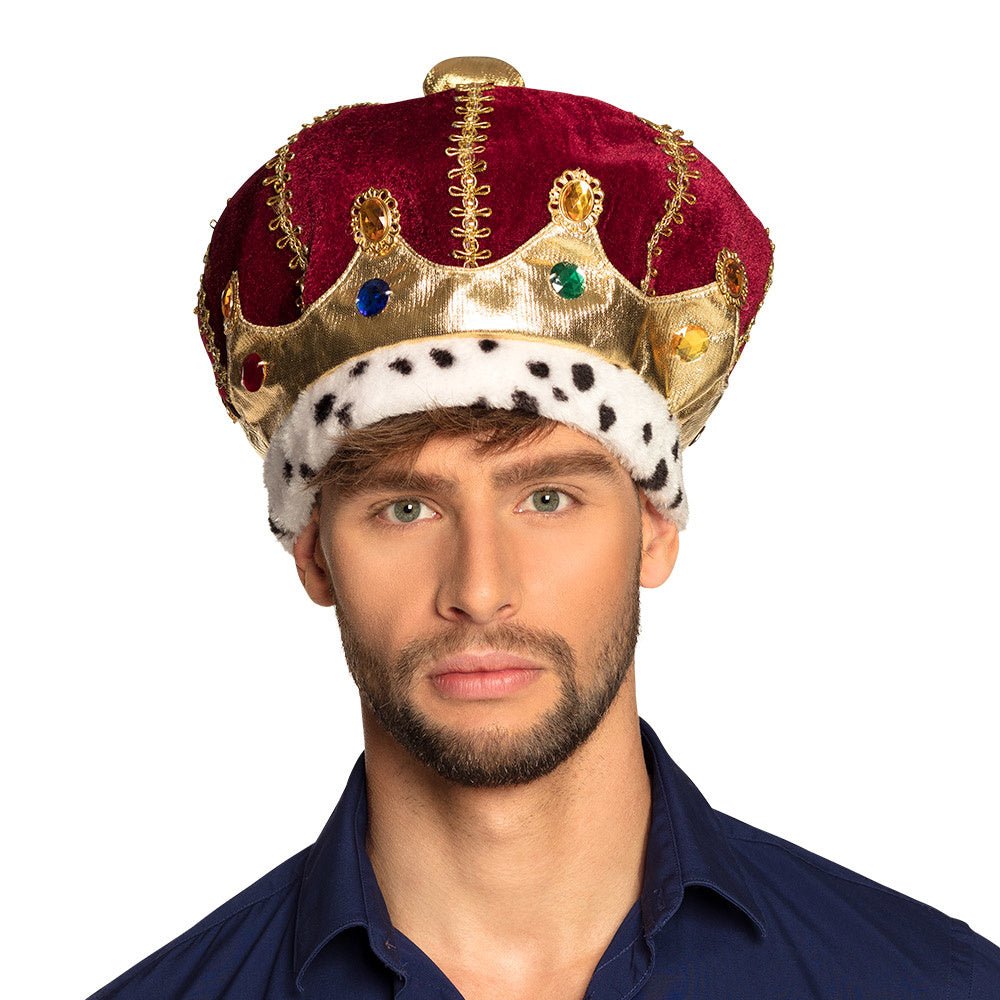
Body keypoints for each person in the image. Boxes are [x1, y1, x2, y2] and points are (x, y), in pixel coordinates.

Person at [87, 56, 1000, 999]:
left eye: (548, 499)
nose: (480, 589)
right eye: (407, 508)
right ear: (314, 551)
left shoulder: (933, 985)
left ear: (654, 528)